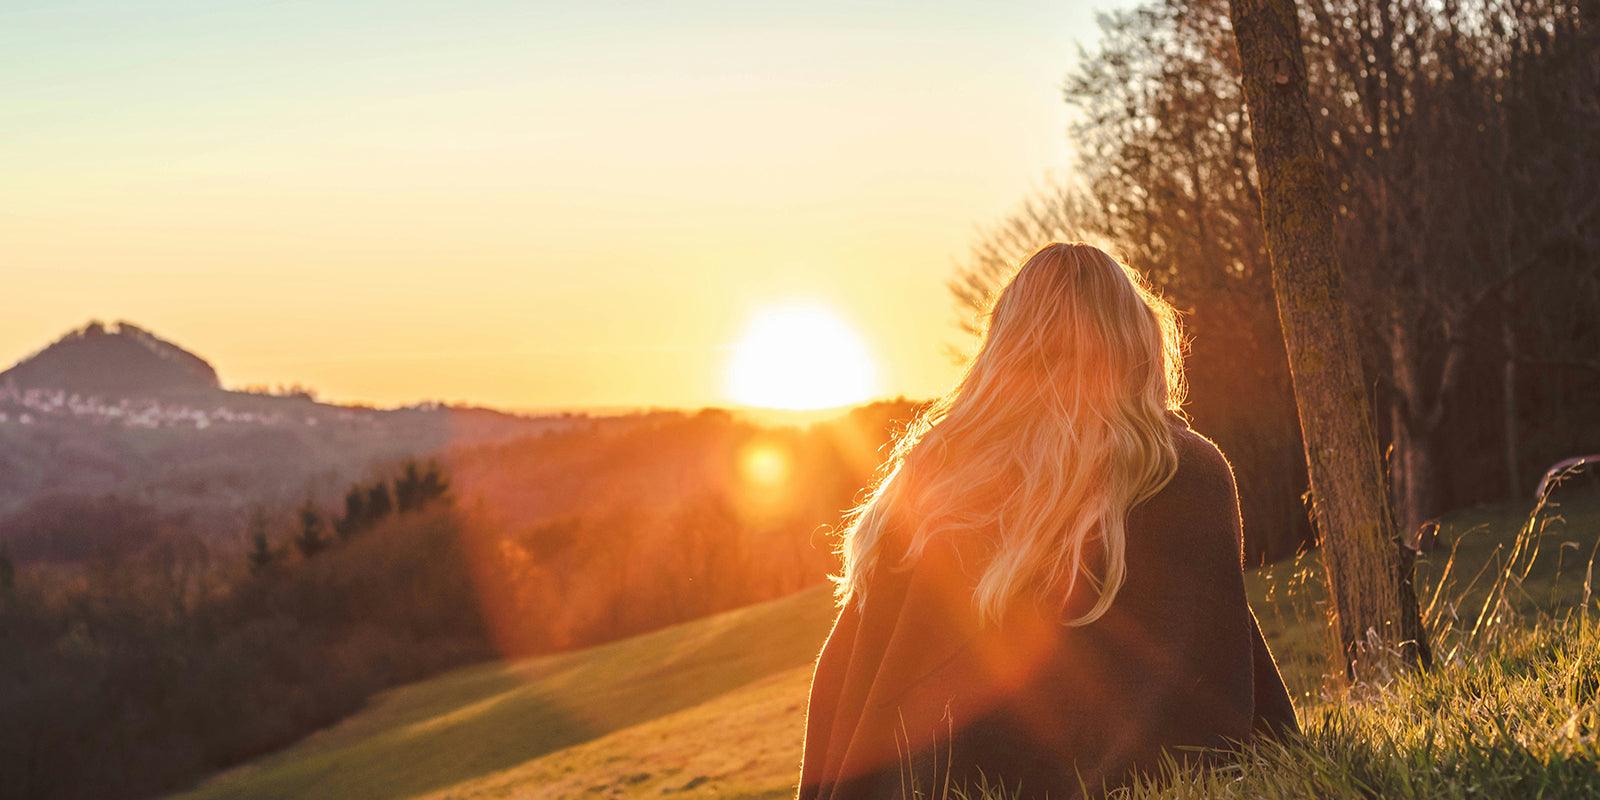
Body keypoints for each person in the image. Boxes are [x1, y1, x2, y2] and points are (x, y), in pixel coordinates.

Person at [797, 243, 1298, 799]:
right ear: (1137, 343)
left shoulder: (926, 479)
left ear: (1002, 348)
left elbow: (842, 683)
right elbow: (1209, 681)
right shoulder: (1180, 470)